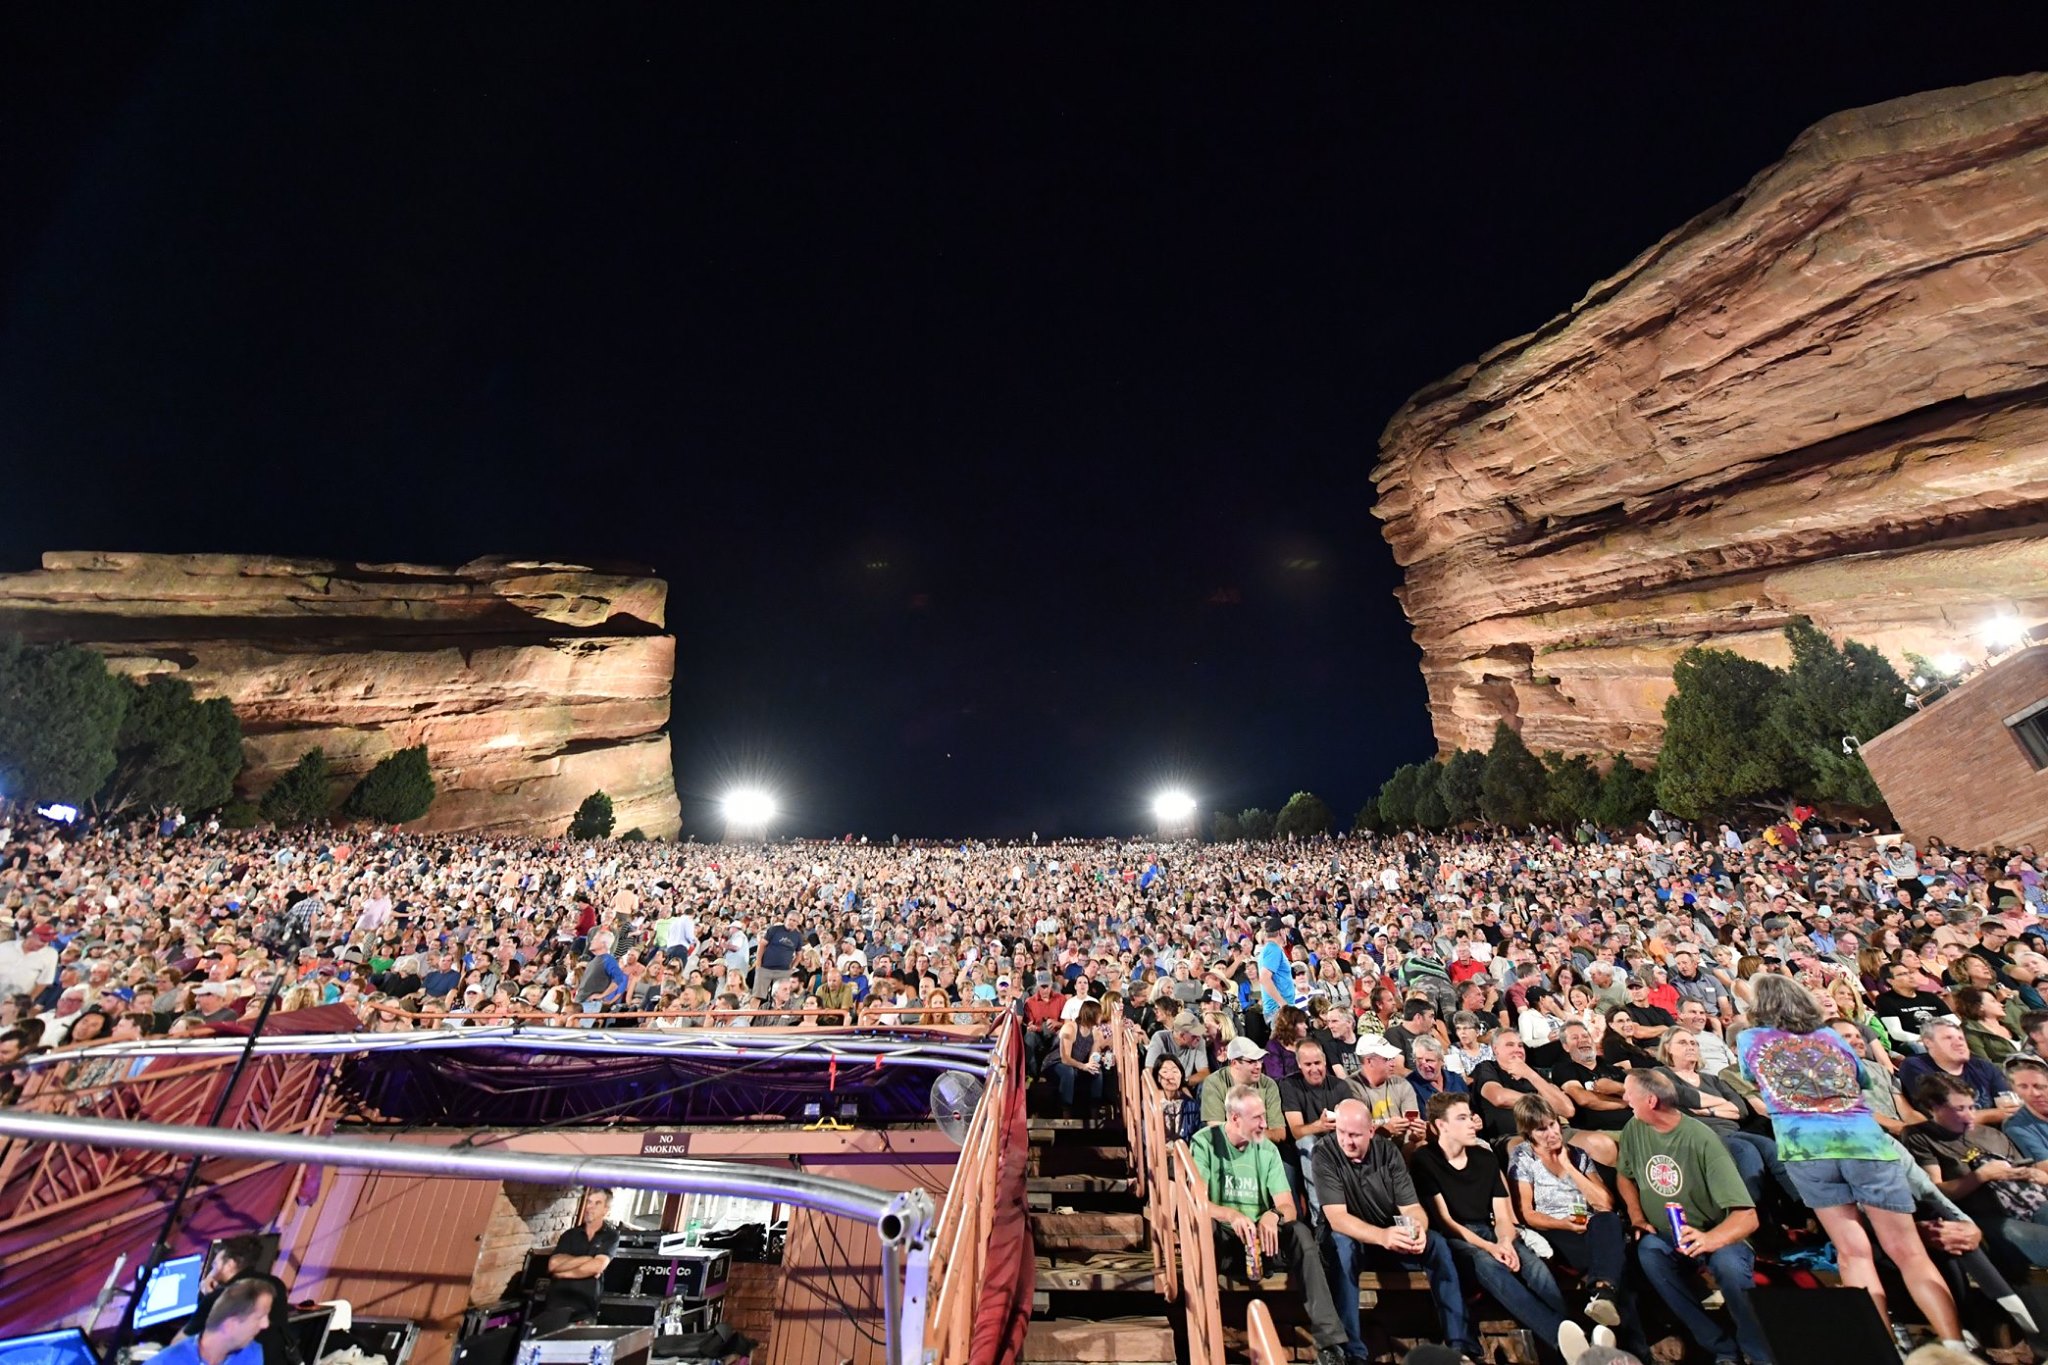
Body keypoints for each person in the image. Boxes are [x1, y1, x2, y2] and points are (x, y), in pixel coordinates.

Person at [1737, 972, 1966, 1351]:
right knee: (1908, 1251)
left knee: (1852, 1252)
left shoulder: (1750, 1038)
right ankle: (1955, 1347)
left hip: (1807, 1150)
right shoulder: (1829, 1036)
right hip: (1862, 1142)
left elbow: (1752, 1076)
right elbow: (1863, 1080)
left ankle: (1885, 1349)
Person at [1413, 1092, 1597, 1363]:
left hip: (1491, 1232)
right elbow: (1446, 1222)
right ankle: (1570, 1344)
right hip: (1457, 1238)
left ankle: (1571, 1339)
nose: (1471, 1123)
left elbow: (1502, 1217)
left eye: (1470, 1116)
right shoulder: (1425, 1159)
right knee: (1489, 1265)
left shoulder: (1484, 1158)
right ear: (1441, 1125)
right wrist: (1492, 1248)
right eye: (1461, 1118)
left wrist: (1506, 1242)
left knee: (1533, 1265)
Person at [1616, 1067, 1772, 1365]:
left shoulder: (1703, 1141)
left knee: (1730, 1268)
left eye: (1629, 1093)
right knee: (1649, 1254)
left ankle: (1759, 1354)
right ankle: (1721, 1348)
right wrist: (1636, 1216)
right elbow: (1625, 1176)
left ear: (1650, 1101)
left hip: (1715, 1231)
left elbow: (1747, 1217)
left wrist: (1709, 1239)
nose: (1625, 1099)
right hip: (1666, 1236)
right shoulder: (1634, 1128)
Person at [1190, 1084, 1350, 1365]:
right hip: (1226, 1243)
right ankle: (1203, 1333)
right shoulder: (1204, 1142)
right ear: (1235, 1118)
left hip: (1265, 1243)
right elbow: (1196, 1202)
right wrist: (1231, 1215)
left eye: (1264, 1116)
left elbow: (1288, 1206)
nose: (1265, 1124)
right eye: (1257, 1118)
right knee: (1207, 1228)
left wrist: (1273, 1214)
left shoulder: (1266, 1148)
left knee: (1300, 1232)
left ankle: (1330, 1345)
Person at [1315, 1097, 1471, 1364]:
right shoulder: (1325, 1152)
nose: (1347, 1141)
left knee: (1437, 1244)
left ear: (1371, 1132)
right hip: (1354, 1239)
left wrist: (1417, 1230)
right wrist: (1383, 1236)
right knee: (1342, 1244)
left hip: (1387, 1238)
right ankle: (1352, 1352)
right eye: (1341, 1133)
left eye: (1354, 1135)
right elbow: (1338, 1218)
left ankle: (1460, 1347)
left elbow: (1412, 1208)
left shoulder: (1388, 1153)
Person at [1509, 1097, 1631, 1340]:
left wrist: (1569, 1166)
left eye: (1553, 1125)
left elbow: (1604, 1203)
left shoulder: (1577, 1155)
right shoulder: (1523, 1157)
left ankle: (1603, 1295)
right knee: (1624, 1274)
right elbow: (1526, 1213)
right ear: (1529, 1132)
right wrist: (1562, 1224)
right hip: (1553, 1228)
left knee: (1607, 1219)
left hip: (1590, 1225)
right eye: (1542, 1129)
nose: (1551, 1133)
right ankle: (1607, 1303)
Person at [1905, 1072, 2048, 1274]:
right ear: (1934, 1108)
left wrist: (2037, 1176)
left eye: (1972, 1107)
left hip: (2033, 1201)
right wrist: (1981, 1175)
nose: (1970, 1115)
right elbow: (1934, 1193)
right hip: (1985, 1215)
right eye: (1960, 1109)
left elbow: (2027, 1169)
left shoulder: (1991, 1134)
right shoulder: (1921, 1137)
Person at [178, 1237, 295, 1365]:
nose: (212, 1269)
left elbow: (182, 1343)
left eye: (215, 1264)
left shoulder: (219, 1298)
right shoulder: (276, 1284)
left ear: (229, 1265)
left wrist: (205, 1296)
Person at [1282, 1040, 1359, 1220]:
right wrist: (1320, 1125)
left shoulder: (1340, 1086)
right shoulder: (1290, 1085)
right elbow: (1296, 1132)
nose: (1314, 1069)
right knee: (1308, 1142)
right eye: (1308, 1064)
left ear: (1324, 1062)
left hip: (1338, 1141)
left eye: (1317, 1063)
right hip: (1309, 1147)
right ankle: (1320, 1220)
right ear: (1299, 1065)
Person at [532, 1188, 619, 1333]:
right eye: (589, 1202)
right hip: (555, 1307)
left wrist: (562, 1273)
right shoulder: (570, 1235)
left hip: (583, 1311)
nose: (590, 1207)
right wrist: (586, 1259)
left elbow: (596, 1266)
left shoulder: (610, 1236)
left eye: (597, 1203)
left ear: (606, 1209)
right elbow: (553, 1264)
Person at [1901, 1019, 2018, 1126]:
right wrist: (1995, 1114)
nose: (1959, 1043)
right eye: (1948, 1038)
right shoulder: (1915, 1065)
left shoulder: (1983, 1066)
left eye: (1961, 1038)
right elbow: (1948, 1118)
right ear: (1928, 1042)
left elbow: (2012, 1108)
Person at [153, 1279, 275, 1365]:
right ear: (230, 1325)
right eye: (259, 1317)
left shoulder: (252, 1353)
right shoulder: (164, 1362)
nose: (266, 1324)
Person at [1201, 1035, 1284, 1129]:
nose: (1259, 1066)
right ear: (1234, 1063)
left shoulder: (1268, 1085)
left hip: (1262, 1143)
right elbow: (1218, 1131)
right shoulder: (1214, 1083)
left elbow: (1279, 1133)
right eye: (1251, 1061)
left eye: (1259, 1060)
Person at [1049, 997, 1106, 1118]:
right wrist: (1084, 1066)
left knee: (1097, 1072)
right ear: (1092, 1015)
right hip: (1056, 1063)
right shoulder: (1070, 1028)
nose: (1102, 1017)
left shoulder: (1096, 1032)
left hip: (1078, 1065)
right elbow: (1065, 1058)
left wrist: (1096, 1061)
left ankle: (1095, 1112)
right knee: (1068, 1072)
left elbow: (1093, 1057)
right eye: (1099, 1014)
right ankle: (1066, 1112)